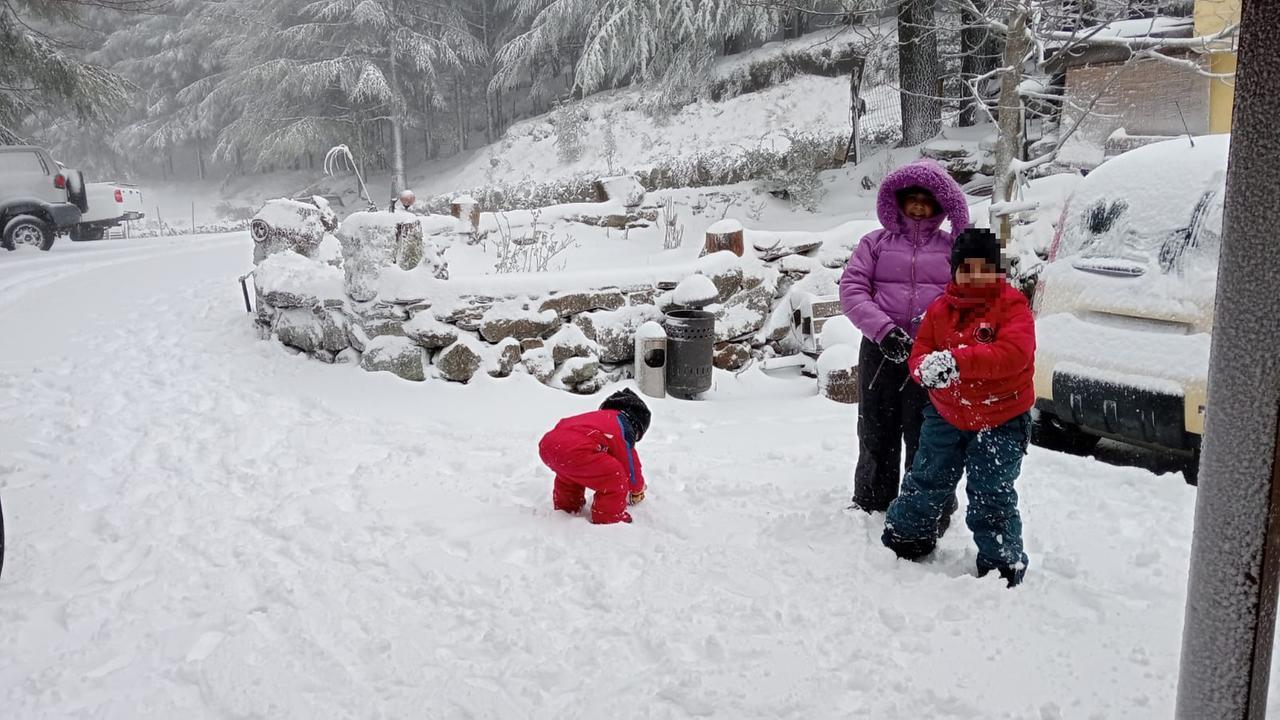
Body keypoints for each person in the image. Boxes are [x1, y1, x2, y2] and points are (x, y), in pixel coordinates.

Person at [881, 228, 1036, 588]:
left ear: (998, 271)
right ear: (955, 271)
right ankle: (907, 538)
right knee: (927, 479)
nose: (976, 275)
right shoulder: (940, 309)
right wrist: (924, 370)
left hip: (1000, 419)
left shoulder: (1012, 307)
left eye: (986, 268)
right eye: (968, 268)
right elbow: (920, 352)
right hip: (946, 414)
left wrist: (957, 361)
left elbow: (1013, 355)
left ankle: (1001, 564)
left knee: (991, 492)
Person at [839, 160, 970, 515]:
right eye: (910, 197)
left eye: (925, 199)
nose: (917, 205)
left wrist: (940, 331)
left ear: (941, 205)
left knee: (926, 430)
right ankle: (871, 499)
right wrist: (883, 331)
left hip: (930, 355)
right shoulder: (875, 243)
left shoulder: (953, 248)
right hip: (881, 349)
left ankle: (924, 501)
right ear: (897, 201)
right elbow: (851, 289)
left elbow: (972, 297)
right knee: (876, 426)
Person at [538, 388, 650, 525]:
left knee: (570, 474)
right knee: (615, 476)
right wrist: (637, 488)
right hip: (576, 449)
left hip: (549, 444)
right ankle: (609, 517)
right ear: (636, 423)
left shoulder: (597, 419)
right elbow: (631, 467)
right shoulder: (623, 426)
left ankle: (567, 507)